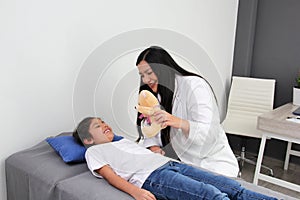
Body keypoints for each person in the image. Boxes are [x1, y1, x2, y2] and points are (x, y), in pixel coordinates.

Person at [73, 117, 277, 200]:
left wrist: (155, 152)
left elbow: (140, 154)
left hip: (170, 165)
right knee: (211, 195)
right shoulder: (94, 152)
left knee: (231, 187)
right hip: (153, 178)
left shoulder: (122, 141)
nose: (105, 124)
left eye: (103, 121)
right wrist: (136, 192)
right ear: (88, 139)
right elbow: (111, 176)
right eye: (98, 126)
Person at [135, 46, 239, 177]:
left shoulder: (195, 86)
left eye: (149, 73)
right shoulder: (158, 93)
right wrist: (154, 147)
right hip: (181, 160)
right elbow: (152, 129)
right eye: (142, 75)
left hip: (210, 161)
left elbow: (208, 133)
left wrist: (175, 121)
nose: (145, 80)